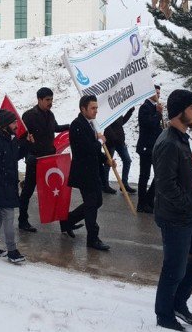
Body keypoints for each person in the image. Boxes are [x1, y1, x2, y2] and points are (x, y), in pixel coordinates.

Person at [153, 89, 192, 331]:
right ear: (180, 112)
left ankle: (178, 301)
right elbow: (166, 185)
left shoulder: (180, 137)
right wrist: (187, 204)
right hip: (174, 216)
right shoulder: (168, 142)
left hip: (186, 214)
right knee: (174, 268)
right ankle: (164, 315)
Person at [61, 95, 111, 251]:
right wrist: (101, 141)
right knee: (91, 206)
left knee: (97, 202)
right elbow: (88, 149)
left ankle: (67, 220)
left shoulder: (89, 124)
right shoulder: (77, 125)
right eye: (93, 108)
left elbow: (94, 151)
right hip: (84, 173)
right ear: (83, 109)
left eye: (96, 108)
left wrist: (106, 160)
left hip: (93, 171)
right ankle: (93, 239)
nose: (96, 111)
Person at [0, 109, 30, 263]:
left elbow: (15, 156)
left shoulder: (11, 138)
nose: (16, 125)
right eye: (14, 122)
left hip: (10, 183)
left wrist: (26, 143)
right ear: (5, 125)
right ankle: (12, 251)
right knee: (8, 215)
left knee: (0, 213)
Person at [18, 87, 69, 232]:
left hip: (49, 158)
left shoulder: (50, 114)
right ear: (39, 99)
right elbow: (22, 138)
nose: (50, 102)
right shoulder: (29, 115)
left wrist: (71, 126)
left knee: (55, 190)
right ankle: (23, 220)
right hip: (36, 160)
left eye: (52, 99)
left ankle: (64, 224)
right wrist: (28, 155)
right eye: (47, 100)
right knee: (28, 191)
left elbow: (56, 128)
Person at [135, 85, 163, 213]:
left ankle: (149, 199)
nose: (158, 95)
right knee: (144, 176)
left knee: (160, 174)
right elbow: (149, 124)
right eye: (156, 93)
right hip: (146, 147)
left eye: (159, 93)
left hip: (155, 146)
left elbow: (156, 127)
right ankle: (142, 203)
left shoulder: (155, 108)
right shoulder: (145, 107)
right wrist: (158, 113)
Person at [101, 106, 136, 194]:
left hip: (120, 142)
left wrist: (130, 112)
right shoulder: (107, 112)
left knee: (127, 160)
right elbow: (107, 126)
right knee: (108, 163)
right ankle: (105, 185)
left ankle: (124, 184)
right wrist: (114, 137)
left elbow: (121, 122)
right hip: (110, 142)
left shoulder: (117, 111)